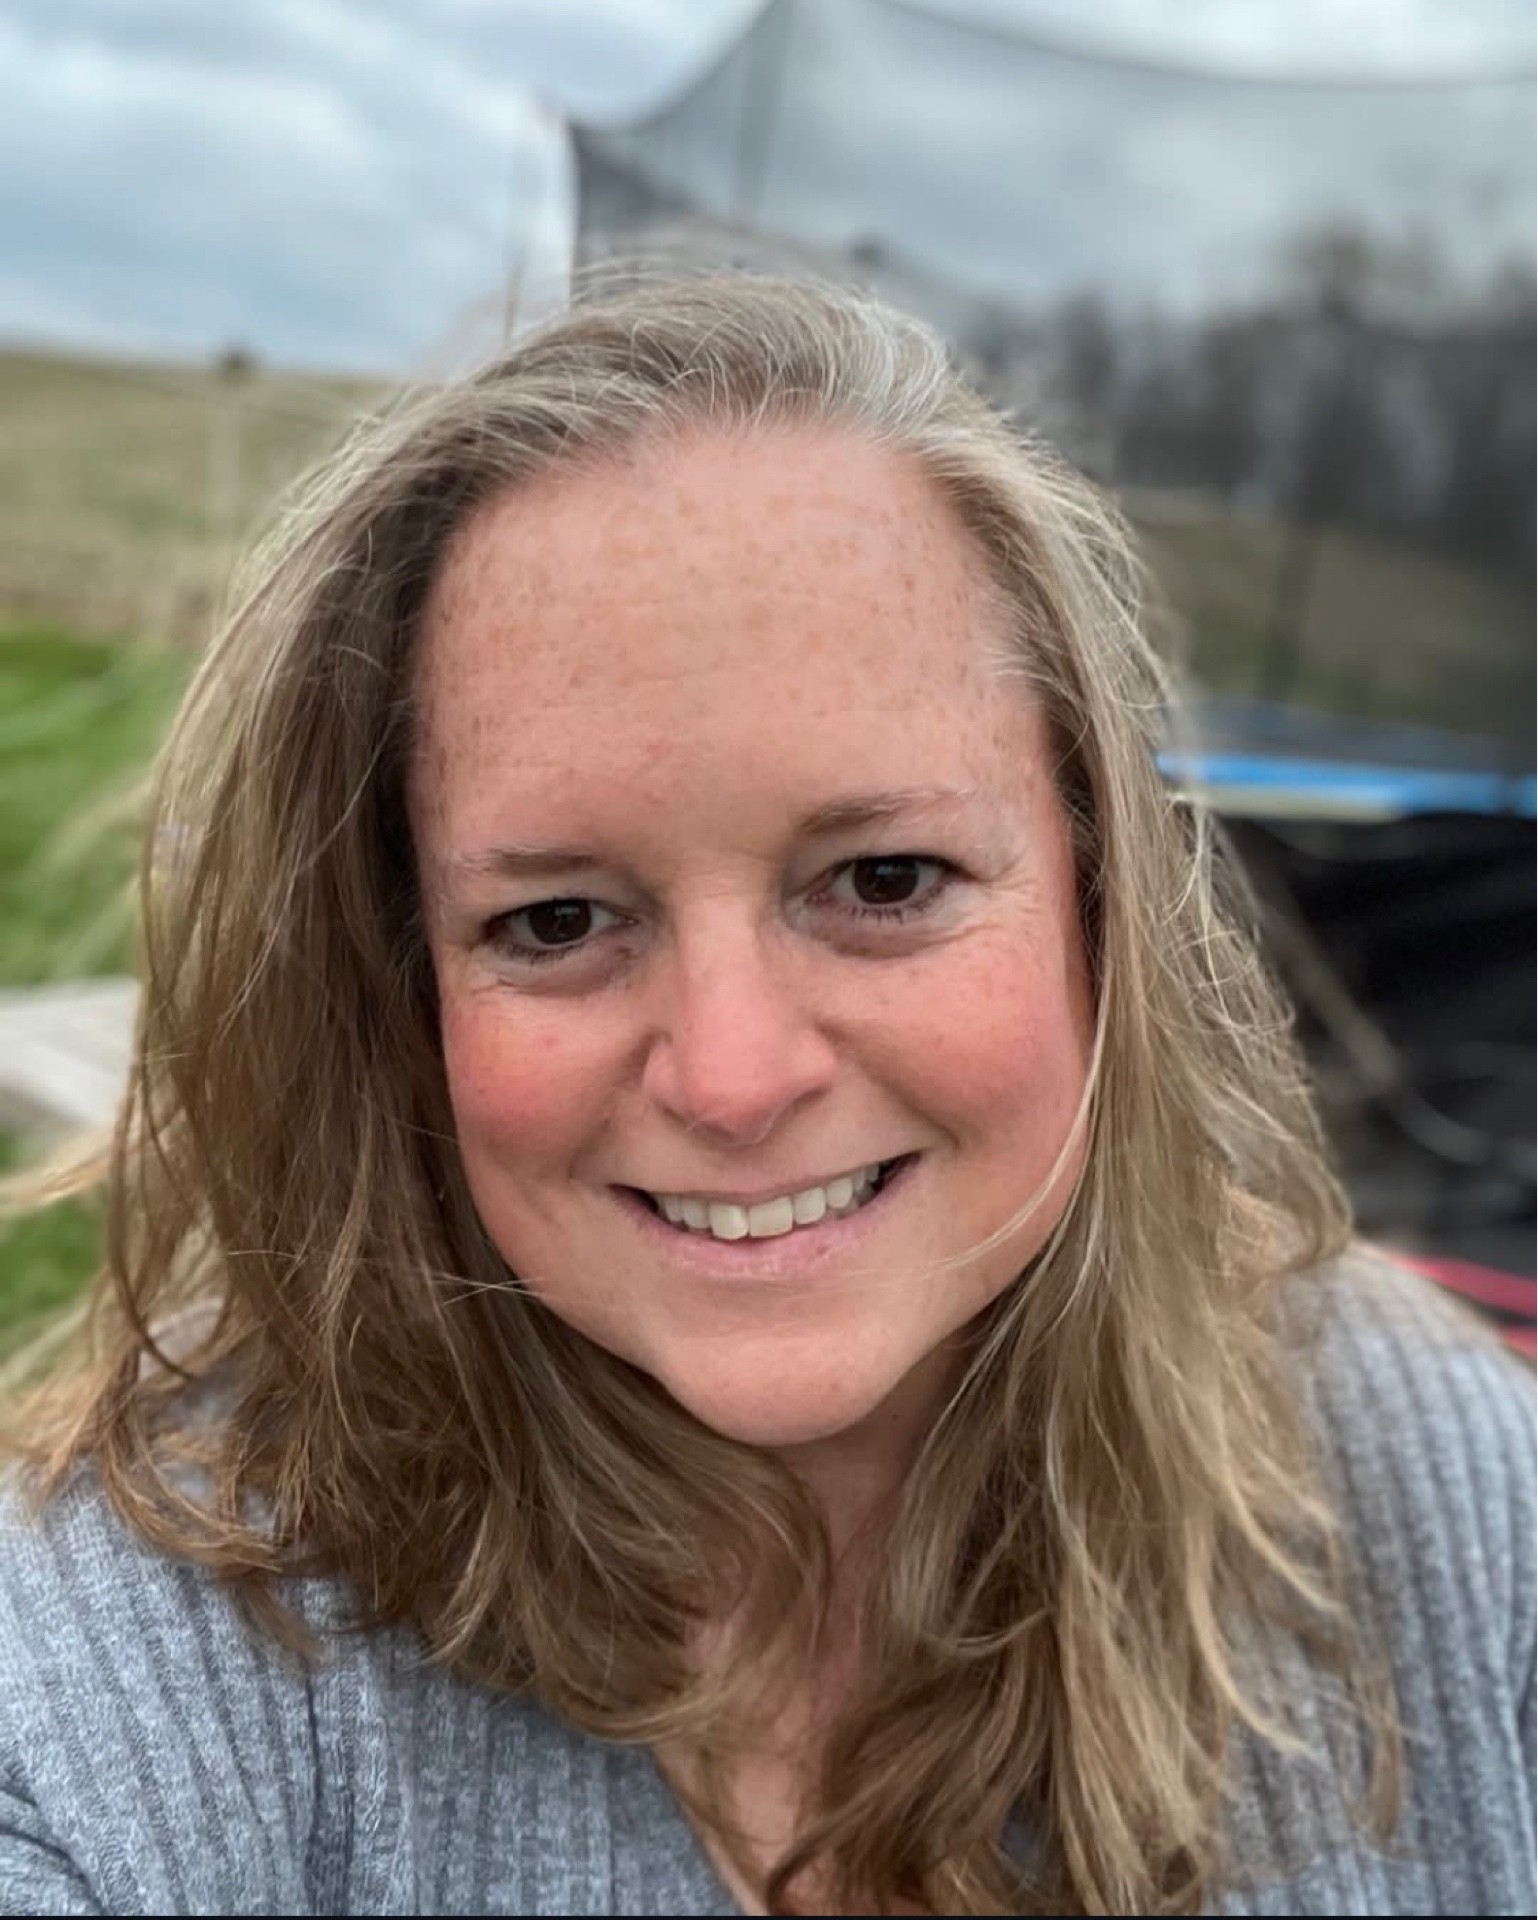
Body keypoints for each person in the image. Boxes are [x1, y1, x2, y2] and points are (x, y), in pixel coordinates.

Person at [0, 271, 1531, 1919]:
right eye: (557, 921)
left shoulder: (1438, 1479)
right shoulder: (123, 1677)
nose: (732, 1081)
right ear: (397, 984)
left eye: (882, 880)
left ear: (1103, 904)